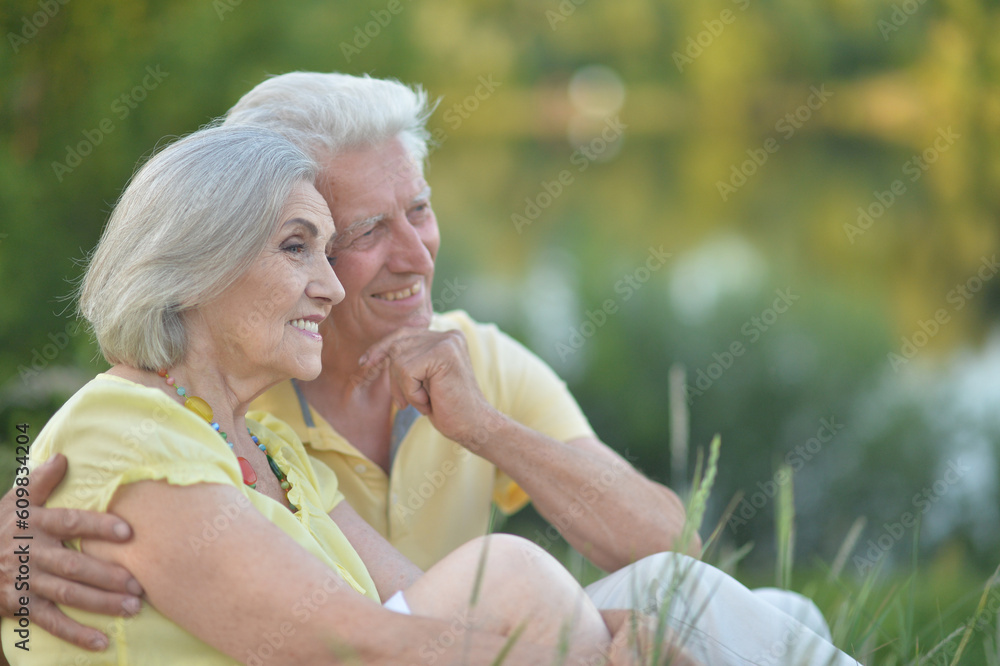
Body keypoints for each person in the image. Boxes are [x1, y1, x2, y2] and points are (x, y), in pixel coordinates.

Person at [1, 73, 860, 665]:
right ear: (205, 261)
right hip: (426, 652)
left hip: (445, 647)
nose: (410, 258)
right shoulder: (153, 420)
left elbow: (669, 543)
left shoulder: (273, 436)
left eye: (421, 210)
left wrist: (485, 428)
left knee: (680, 595)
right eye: (353, 235)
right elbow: (348, 644)